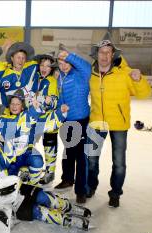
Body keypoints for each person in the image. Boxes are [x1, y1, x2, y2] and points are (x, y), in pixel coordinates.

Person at [86, 33, 152, 208]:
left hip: (119, 124)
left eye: (109, 52)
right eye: (102, 52)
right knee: (91, 160)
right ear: (96, 54)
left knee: (119, 163)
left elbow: (145, 94)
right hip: (96, 122)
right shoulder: (90, 74)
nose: (105, 55)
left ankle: (115, 193)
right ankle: (90, 187)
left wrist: (139, 80)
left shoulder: (125, 73)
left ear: (113, 54)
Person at [55, 44, 91, 204]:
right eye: (60, 62)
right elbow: (60, 98)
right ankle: (67, 179)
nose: (63, 65)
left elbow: (87, 66)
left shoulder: (81, 74)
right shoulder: (60, 78)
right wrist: (60, 110)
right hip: (67, 120)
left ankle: (81, 190)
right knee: (68, 152)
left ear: (71, 62)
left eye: (65, 62)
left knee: (81, 156)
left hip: (81, 120)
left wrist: (69, 55)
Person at [33, 52, 60, 184]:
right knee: (28, 144)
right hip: (33, 119)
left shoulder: (52, 81)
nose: (44, 68)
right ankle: (29, 169)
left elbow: (54, 101)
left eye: (48, 66)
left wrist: (43, 101)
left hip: (49, 120)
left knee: (49, 146)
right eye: (42, 65)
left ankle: (50, 172)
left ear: (52, 69)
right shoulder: (34, 78)